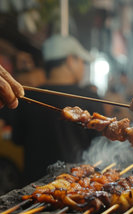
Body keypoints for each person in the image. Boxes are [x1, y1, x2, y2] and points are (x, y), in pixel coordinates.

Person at [11, 34, 105, 185]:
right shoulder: (90, 98)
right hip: (75, 188)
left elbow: (17, 139)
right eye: (81, 62)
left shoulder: (27, 96)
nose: (83, 68)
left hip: (32, 188)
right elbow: (101, 146)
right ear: (70, 61)